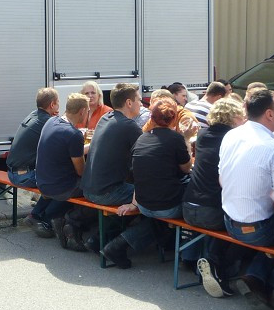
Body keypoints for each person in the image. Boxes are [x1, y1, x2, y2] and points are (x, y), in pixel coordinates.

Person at [217, 88, 274, 310]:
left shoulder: (231, 134)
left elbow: (220, 179)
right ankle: (266, 282)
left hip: (228, 221)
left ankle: (255, 276)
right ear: (269, 114)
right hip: (254, 229)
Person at [102, 98, 192, 269]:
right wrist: (186, 138)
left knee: (159, 218)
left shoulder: (141, 139)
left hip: (143, 202)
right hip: (165, 206)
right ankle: (189, 257)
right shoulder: (175, 139)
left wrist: (133, 203)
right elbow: (187, 168)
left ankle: (116, 244)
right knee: (194, 204)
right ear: (174, 119)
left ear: (151, 117)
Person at [183, 97, 248, 297]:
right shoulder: (234, 139)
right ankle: (218, 267)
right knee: (244, 224)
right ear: (235, 117)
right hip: (211, 211)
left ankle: (194, 261)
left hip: (188, 206)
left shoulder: (202, 135)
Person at [78, 83, 143, 251]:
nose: (141, 104)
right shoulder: (130, 127)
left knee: (132, 192)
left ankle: (91, 234)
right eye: (139, 100)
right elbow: (146, 161)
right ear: (129, 103)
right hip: (104, 193)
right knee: (150, 196)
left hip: (87, 187)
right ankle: (107, 242)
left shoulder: (105, 118)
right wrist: (135, 203)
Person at [32, 93, 90, 238]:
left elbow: (64, 152)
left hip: (41, 180)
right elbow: (81, 171)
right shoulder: (74, 134)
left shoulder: (52, 122)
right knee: (93, 187)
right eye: (87, 111)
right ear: (82, 111)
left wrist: (86, 148)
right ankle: (61, 221)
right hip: (59, 187)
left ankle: (38, 214)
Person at [6, 87, 61, 225]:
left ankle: (37, 215)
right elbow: (61, 145)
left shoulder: (33, 115)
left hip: (13, 172)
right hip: (23, 176)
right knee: (62, 183)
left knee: (55, 179)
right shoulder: (47, 122)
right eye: (58, 102)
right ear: (52, 105)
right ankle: (44, 219)